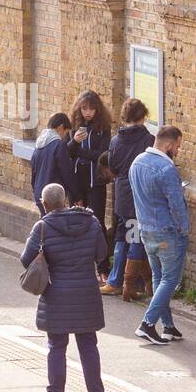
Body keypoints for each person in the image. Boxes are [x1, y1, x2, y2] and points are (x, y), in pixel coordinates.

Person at [21, 183, 107, 392]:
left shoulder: (43, 228)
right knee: (88, 344)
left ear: (45, 204)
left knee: (56, 345)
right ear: (66, 199)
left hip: (56, 295)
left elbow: (25, 259)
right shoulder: (91, 221)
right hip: (86, 293)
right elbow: (101, 254)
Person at [128, 125, 189, 346]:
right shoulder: (167, 169)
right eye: (178, 147)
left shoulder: (136, 163)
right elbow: (176, 204)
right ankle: (147, 323)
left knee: (158, 277)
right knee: (170, 279)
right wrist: (184, 229)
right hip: (167, 232)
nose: (178, 151)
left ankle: (168, 327)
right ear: (169, 145)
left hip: (145, 229)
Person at [102, 98, 155, 300]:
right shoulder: (148, 140)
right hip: (139, 195)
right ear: (143, 116)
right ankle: (127, 284)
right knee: (135, 237)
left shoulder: (115, 141)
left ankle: (115, 280)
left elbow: (113, 167)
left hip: (122, 195)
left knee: (122, 235)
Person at [68, 90, 113, 274]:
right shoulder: (74, 127)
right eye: (84, 108)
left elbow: (102, 155)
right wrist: (74, 143)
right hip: (78, 182)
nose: (88, 112)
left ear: (97, 110)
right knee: (77, 222)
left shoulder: (103, 130)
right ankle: (79, 265)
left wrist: (80, 151)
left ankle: (103, 267)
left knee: (97, 222)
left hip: (96, 183)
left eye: (92, 109)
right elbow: (67, 153)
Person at [30, 113, 75, 217]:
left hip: (39, 192)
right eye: (65, 132)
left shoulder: (39, 144)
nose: (65, 136)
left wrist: (35, 190)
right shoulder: (58, 145)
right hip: (54, 195)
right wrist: (76, 195)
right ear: (60, 128)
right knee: (55, 225)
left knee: (45, 223)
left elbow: (33, 170)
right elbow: (67, 172)